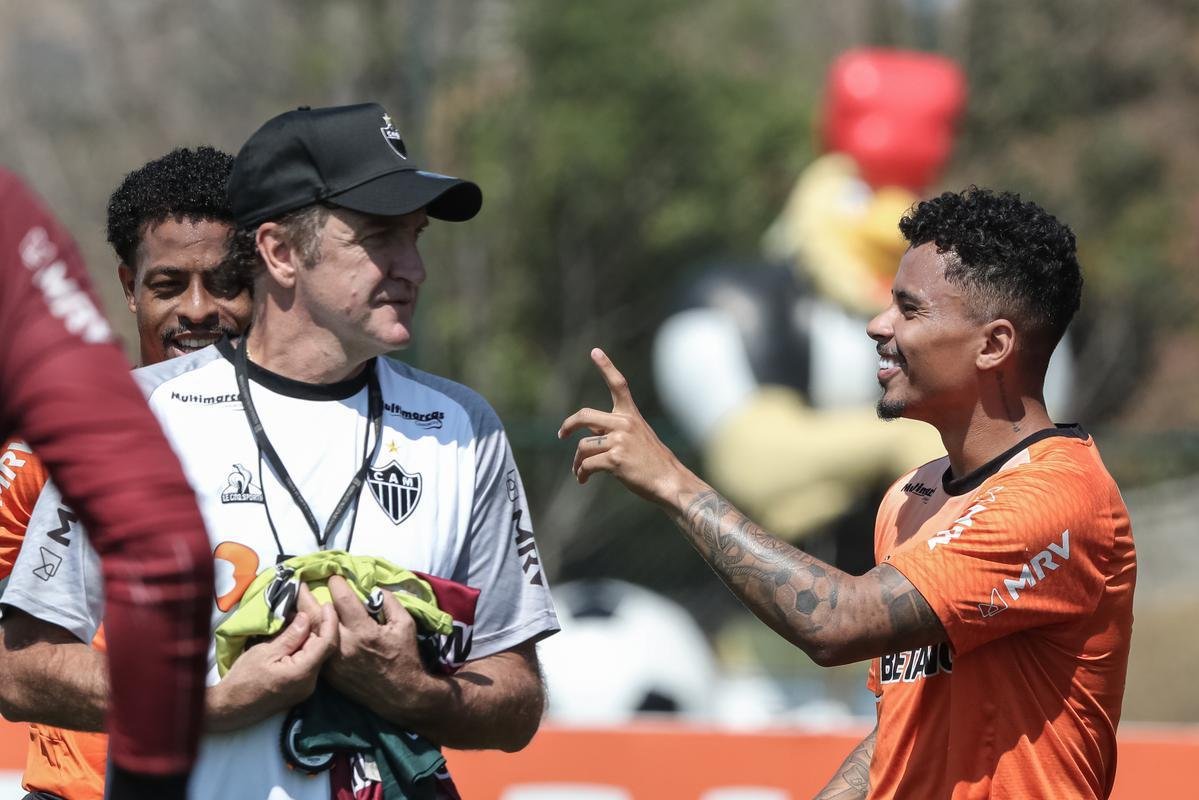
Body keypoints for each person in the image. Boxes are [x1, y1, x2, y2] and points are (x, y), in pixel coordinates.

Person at [3, 102, 558, 800]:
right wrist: (209, 704)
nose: (412, 267)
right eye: (379, 237)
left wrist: (417, 693)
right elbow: (19, 668)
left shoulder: (464, 429)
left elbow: (517, 698)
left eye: (416, 238)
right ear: (280, 252)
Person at [560, 188, 1135, 799]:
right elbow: (903, 724)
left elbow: (839, 623)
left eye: (909, 310)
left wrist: (672, 483)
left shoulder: (1056, 499)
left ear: (993, 345)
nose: (877, 325)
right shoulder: (911, 496)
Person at [0, 146, 253, 800]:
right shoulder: (46, 446)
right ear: (127, 287)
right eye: (168, 285)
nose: (197, 310)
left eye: (224, 282)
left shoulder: (313, 439)